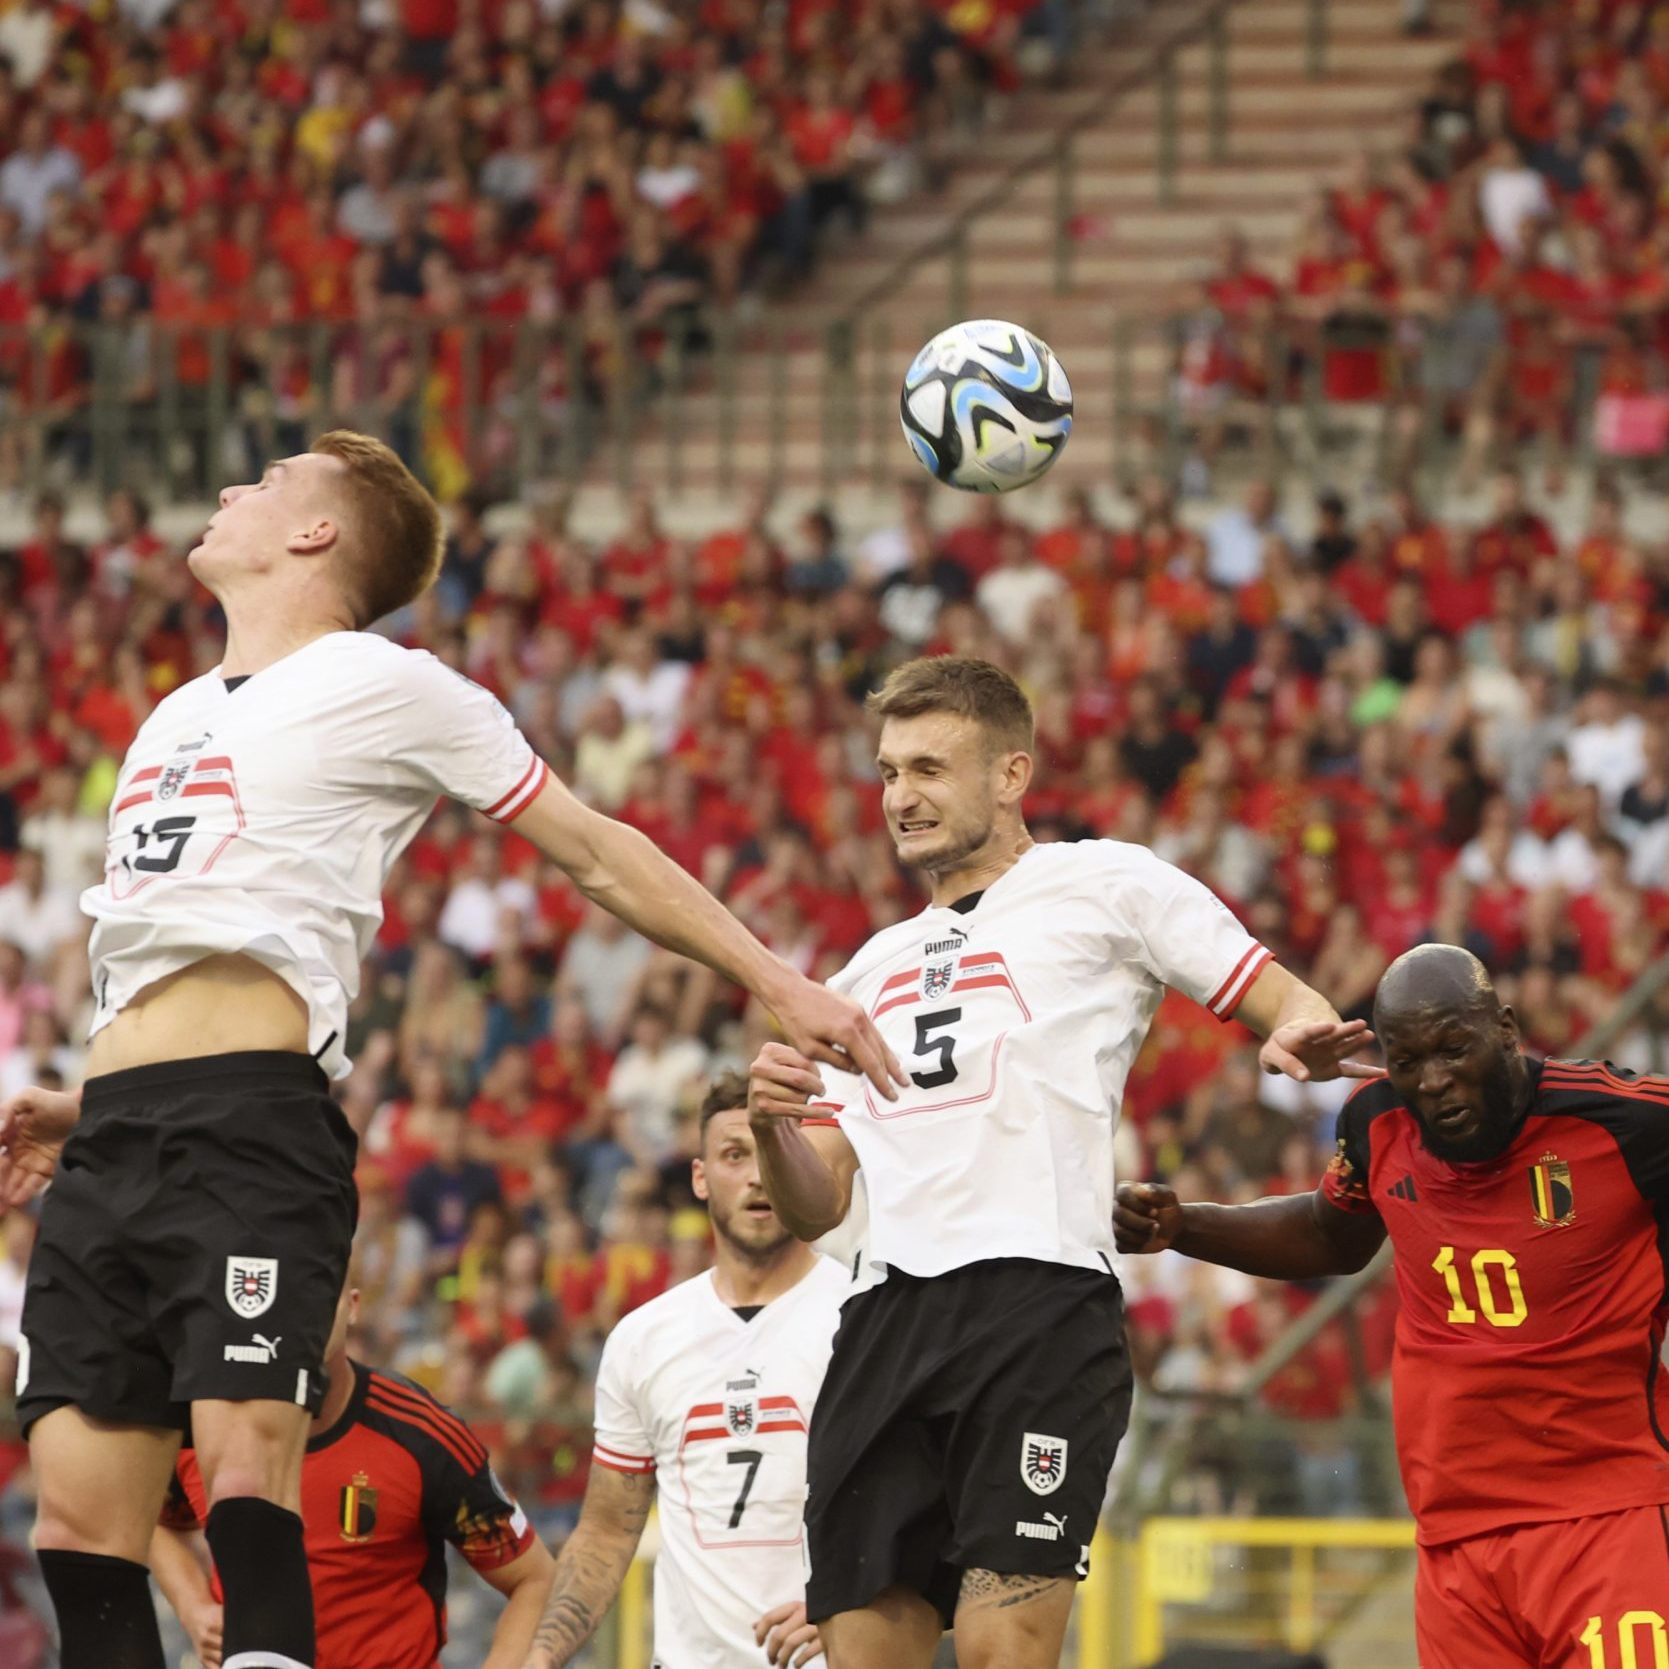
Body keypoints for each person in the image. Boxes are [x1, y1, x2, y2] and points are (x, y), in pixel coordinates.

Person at [0, 432, 903, 1669]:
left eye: (265, 483)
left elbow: (590, 846)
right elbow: (160, 959)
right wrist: (96, 1102)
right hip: (118, 1130)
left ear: (318, 533)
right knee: (80, 1522)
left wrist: (772, 976)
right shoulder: (167, 719)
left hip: (249, 1125)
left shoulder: (391, 683)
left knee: (251, 1466)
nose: (229, 491)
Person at [746, 657, 1376, 1669]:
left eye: (927, 768)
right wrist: (775, 1128)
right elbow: (817, 1204)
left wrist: (1296, 1029)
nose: (899, 797)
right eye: (886, 772)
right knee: (862, 1653)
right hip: (884, 1320)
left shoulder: (1104, 882)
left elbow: (1278, 993)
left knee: (1006, 1648)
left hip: (1034, 1308)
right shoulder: (862, 971)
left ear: (1010, 774)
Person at [1115, 942, 1669, 1669]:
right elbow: (1327, 1233)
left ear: (1504, 1026)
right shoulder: (1376, 1122)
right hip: (1452, 1538)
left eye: (1452, 1048)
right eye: (1407, 1062)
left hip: (1604, 1517)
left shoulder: (1625, 1123)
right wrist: (1186, 1224)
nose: (1434, 1081)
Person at [523, 1069, 851, 1669]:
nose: (757, 1176)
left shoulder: (862, 1320)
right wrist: (542, 1656)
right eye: (733, 1154)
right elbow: (605, 1532)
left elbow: (926, 1502)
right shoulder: (644, 1339)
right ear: (699, 1178)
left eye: (778, 1152)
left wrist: (849, 1604)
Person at [149, 1285, 554, 1668]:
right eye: (290, 1291)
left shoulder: (419, 1433)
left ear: (353, 1305)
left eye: (322, 1289)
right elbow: (151, 1520)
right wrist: (193, 1608)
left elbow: (533, 1578)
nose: (305, 1312)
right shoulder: (199, 1425)